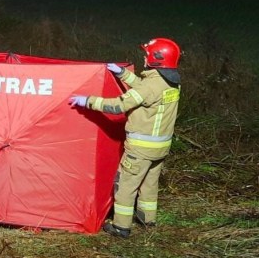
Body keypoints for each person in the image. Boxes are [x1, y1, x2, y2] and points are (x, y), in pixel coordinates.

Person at [68, 38, 182, 239]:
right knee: (149, 185)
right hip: (161, 147)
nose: (145, 58)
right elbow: (144, 89)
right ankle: (147, 219)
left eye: (147, 55)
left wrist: (88, 101)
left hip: (140, 149)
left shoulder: (150, 86)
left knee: (125, 186)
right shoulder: (171, 81)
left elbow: (118, 106)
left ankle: (121, 227)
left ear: (156, 60)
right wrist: (124, 74)